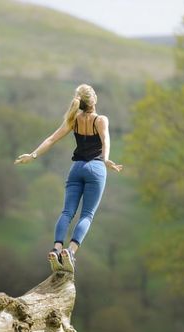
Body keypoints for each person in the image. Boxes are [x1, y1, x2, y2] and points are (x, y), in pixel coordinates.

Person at [14, 84, 123, 273]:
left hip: (76, 169)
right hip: (95, 169)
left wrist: (32, 156)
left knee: (67, 212)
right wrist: (105, 160)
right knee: (87, 214)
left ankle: (56, 249)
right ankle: (70, 252)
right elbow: (105, 139)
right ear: (94, 100)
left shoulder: (74, 120)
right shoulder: (101, 120)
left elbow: (51, 139)